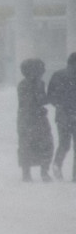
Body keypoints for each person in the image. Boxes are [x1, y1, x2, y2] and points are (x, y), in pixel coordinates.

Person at [16, 58, 54, 182]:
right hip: (36, 119)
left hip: (24, 119)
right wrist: (52, 97)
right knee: (45, 144)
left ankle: (26, 173)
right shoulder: (38, 83)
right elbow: (40, 100)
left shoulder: (22, 84)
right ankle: (44, 172)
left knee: (26, 145)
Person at [47, 52, 76, 181]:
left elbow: (50, 96)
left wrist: (60, 105)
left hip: (62, 115)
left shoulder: (58, 75)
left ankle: (57, 164)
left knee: (64, 143)